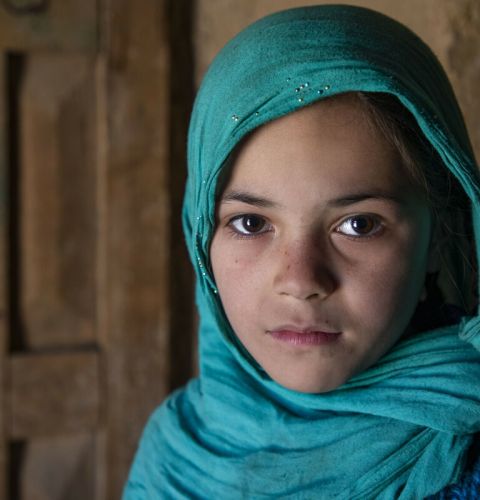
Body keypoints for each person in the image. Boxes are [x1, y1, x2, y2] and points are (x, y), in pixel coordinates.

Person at [123, 5, 480, 498]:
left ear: (439, 235)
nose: (301, 280)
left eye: (358, 225)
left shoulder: (466, 451)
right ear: (201, 237)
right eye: (250, 223)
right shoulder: (177, 456)